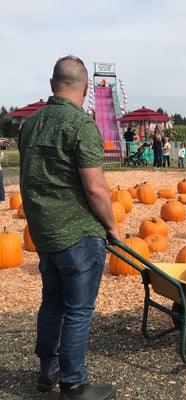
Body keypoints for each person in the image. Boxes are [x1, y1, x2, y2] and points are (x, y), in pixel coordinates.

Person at [18, 55, 119, 400]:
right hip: (78, 237)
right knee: (78, 309)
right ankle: (74, 384)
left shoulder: (29, 125)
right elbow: (94, 187)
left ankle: (48, 371)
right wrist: (112, 228)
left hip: (43, 234)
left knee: (52, 303)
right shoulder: (81, 126)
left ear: (51, 84)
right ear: (87, 88)